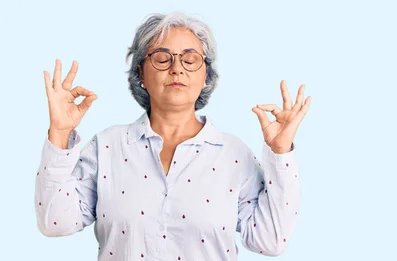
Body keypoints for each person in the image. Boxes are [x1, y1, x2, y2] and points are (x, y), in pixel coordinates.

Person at [34, 12, 311, 261]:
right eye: (162, 58)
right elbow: (55, 222)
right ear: (141, 72)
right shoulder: (107, 147)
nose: (177, 68)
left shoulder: (234, 155)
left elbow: (270, 241)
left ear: (206, 75)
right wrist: (60, 132)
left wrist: (281, 152)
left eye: (190, 59)